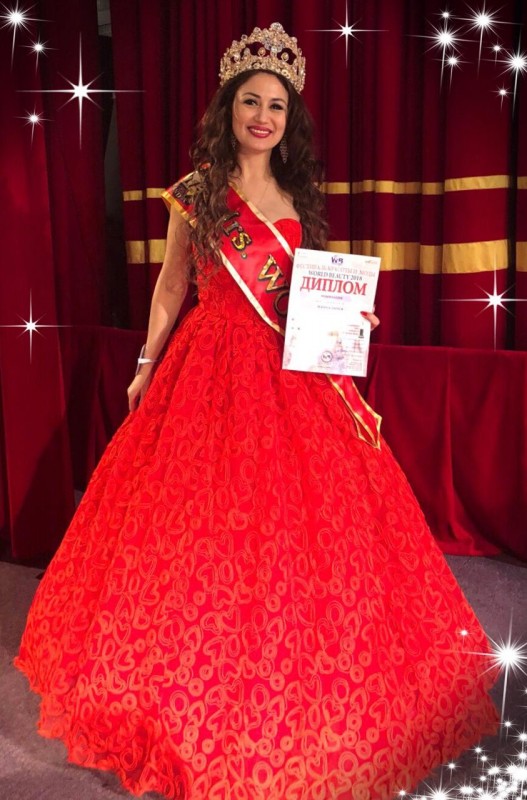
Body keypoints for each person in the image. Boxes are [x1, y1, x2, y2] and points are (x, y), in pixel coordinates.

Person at [16, 22, 498, 800]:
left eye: (276, 105)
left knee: (297, 528)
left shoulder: (296, 195)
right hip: (207, 368)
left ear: (289, 118)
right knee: (199, 528)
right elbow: (172, 284)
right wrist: (144, 366)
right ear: (228, 108)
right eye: (250, 101)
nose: (262, 116)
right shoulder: (198, 190)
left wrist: (349, 319)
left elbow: (303, 294)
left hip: (288, 371)